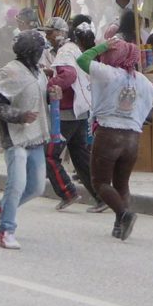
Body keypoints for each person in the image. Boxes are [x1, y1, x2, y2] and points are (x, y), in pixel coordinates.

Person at [76, 37, 153, 240]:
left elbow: (83, 59)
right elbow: (152, 98)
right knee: (122, 185)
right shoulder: (142, 80)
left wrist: (102, 46)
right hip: (132, 138)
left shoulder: (108, 73)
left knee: (100, 182)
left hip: (109, 135)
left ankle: (124, 214)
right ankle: (119, 225)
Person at [0, 30, 51, 250]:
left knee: (35, 187)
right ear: (32, 53)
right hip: (16, 138)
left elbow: (40, 97)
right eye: (40, 51)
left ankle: (4, 206)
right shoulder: (11, 72)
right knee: (16, 185)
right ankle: (6, 230)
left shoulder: (39, 72)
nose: (43, 54)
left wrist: (53, 94)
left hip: (36, 135)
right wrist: (19, 116)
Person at [42, 18, 106, 213]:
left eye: (50, 32)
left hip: (67, 113)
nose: (47, 36)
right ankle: (102, 197)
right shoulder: (74, 50)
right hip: (80, 111)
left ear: (60, 33)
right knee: (81, 157)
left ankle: (67, 192)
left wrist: (51, 84)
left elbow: (69, 76)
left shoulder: (65, 51)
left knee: (50, 156)